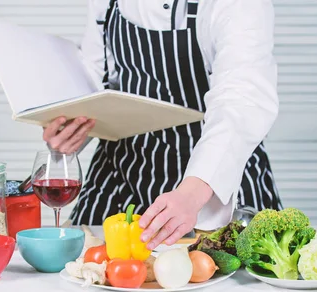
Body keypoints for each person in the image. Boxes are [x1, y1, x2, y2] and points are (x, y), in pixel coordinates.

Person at [42, 0, 282, 250]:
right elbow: (98, 77)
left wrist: (191, 194)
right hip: (123, 171)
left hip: (217, 177)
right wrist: (71, 124)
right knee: (90, 272)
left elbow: (241, 101)